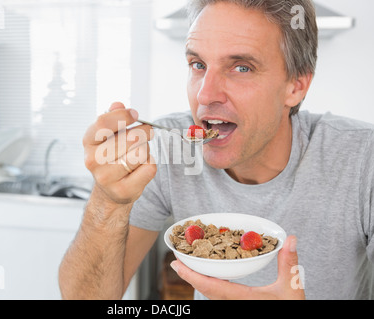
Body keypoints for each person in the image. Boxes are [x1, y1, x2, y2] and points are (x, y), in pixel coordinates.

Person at [59, 0, 374, 300]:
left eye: (241, 68)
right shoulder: (164, 149)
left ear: (296, 85)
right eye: (198, 64)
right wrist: (108, 201)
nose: (205, 95)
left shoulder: (363, 159)